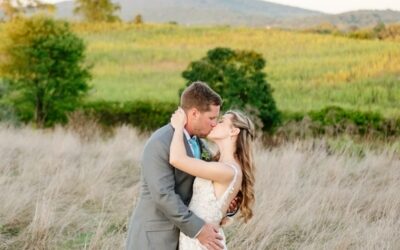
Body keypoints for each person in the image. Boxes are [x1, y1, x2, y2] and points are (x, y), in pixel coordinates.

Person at [126, 82, 241, 250]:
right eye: (211, 118)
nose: (214, 124)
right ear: (194, 113)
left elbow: (210, 187)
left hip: (186, 239)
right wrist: (199, 229)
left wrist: (225, 204)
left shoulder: (201, 145)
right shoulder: (160, 142)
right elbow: (163, 195)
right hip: (156, 238)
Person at [169, 107, 255, 250]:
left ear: (233, 131)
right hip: (196, 239)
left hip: (203, 242)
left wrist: (178, 127)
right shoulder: (218, 162)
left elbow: (176, 159)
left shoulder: (228, 170)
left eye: (221, 121)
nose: (215, 124)